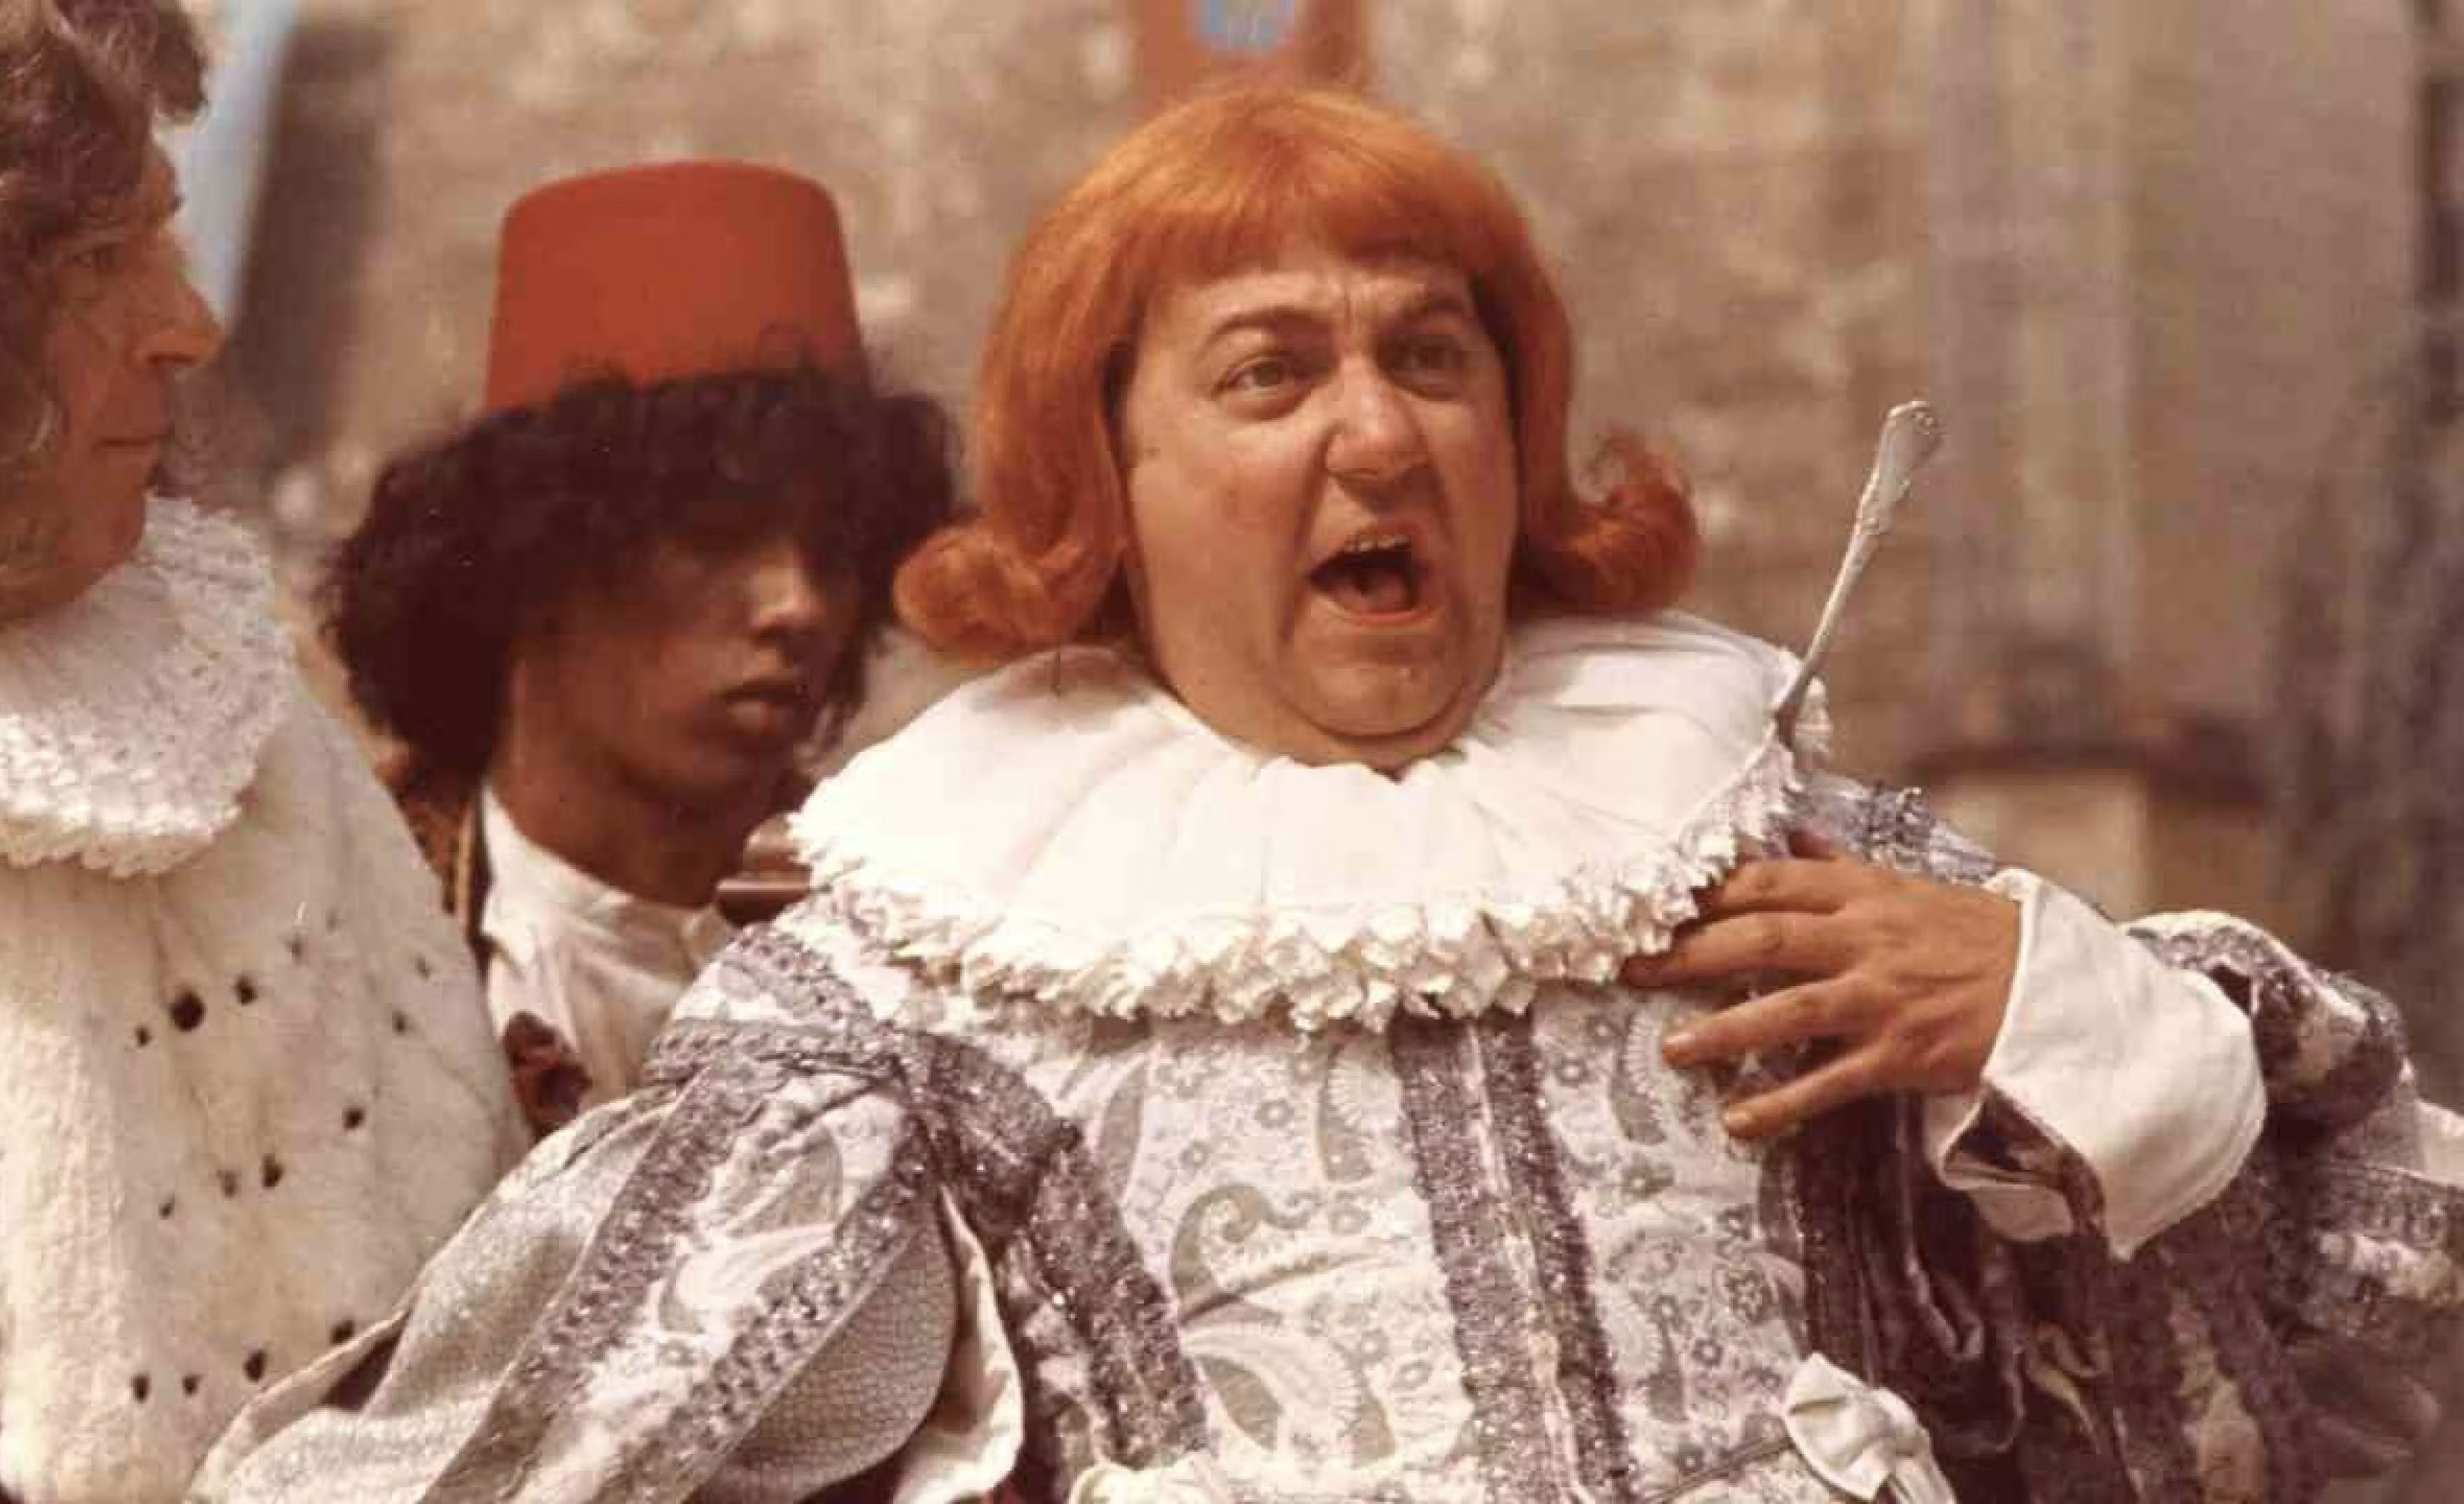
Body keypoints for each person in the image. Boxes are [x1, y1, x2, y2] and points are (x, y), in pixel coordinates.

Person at [194, 86, 2464, 1504]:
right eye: (1272, 374)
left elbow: (2374, 1298)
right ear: (1109, 481)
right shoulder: (907, 983)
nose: (1378, 435)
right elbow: (513, 1449)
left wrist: (2072, 1015)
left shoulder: (1776, 849)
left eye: (1432, 355)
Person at [0, 4, 522, 1499]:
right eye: (94, 261)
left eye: (165, 238)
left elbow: (446, 1312)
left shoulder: (223, 719)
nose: (190, 324)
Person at [327, 162, 957, 1127]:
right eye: (715, 537)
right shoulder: (321, 935)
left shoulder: (922, 962)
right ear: (536, 558)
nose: (797, 605)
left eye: (834, 551)